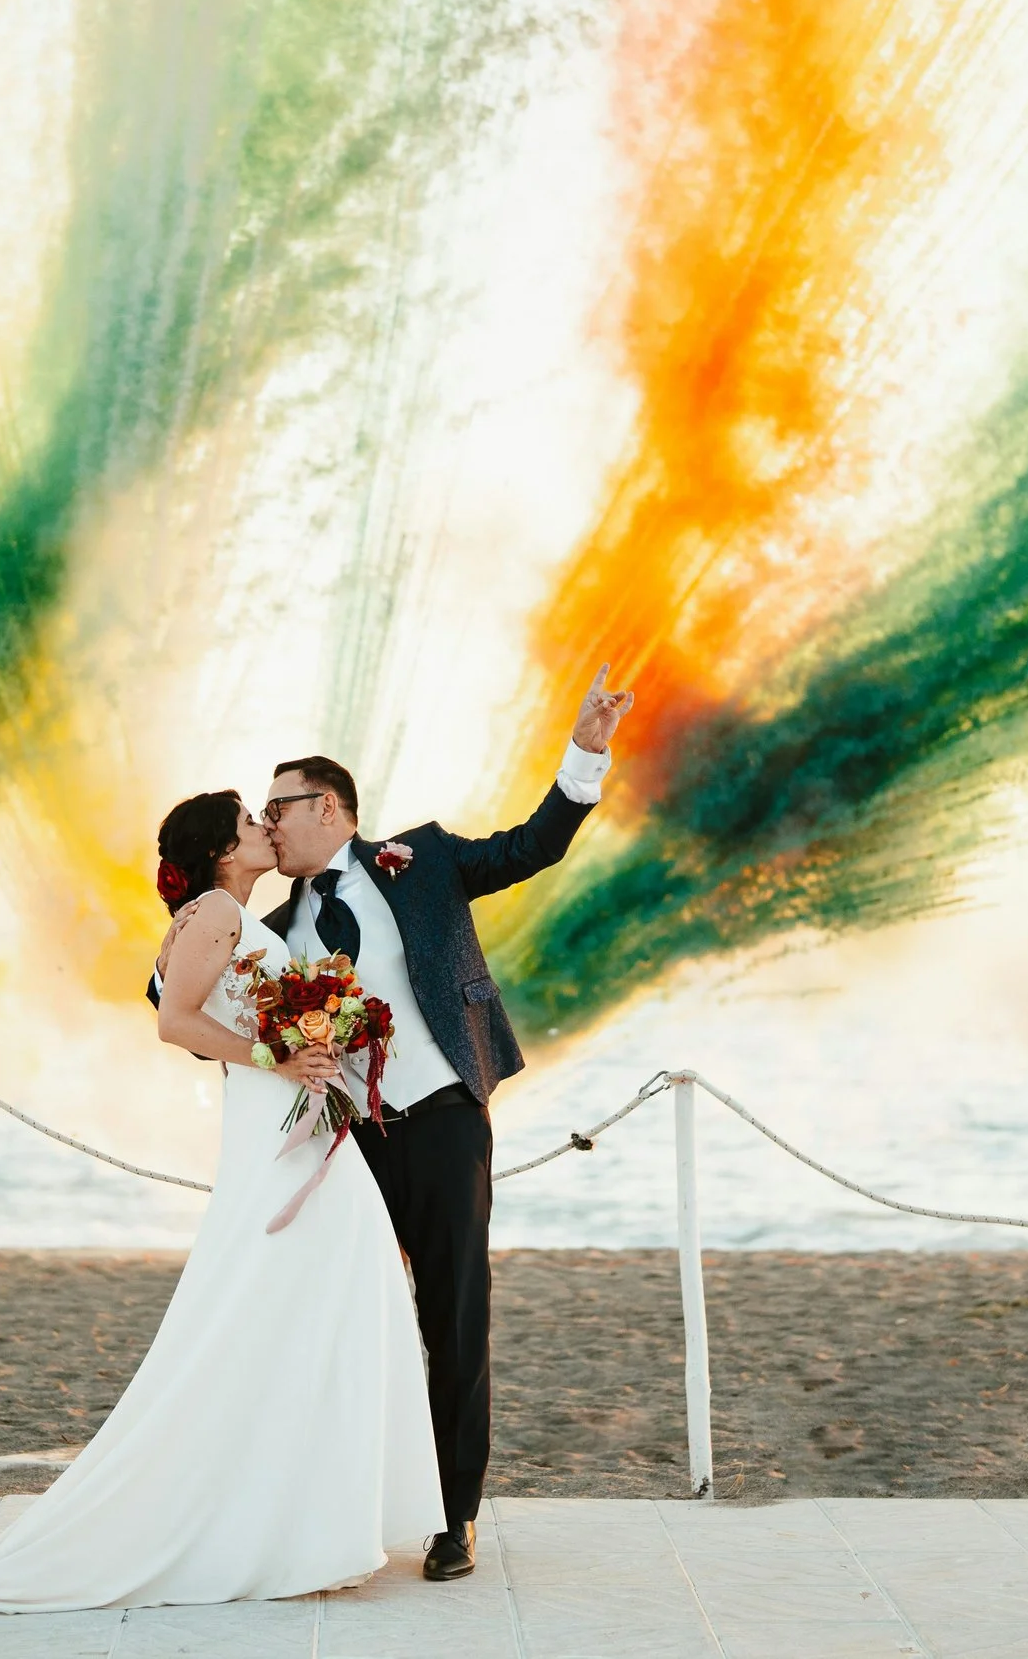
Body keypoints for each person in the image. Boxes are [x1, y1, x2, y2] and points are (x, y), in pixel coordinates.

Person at [0, 793, 440, 1611]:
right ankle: (282, 1523)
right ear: (217, 848)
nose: (263, 827)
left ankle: (310, 1513)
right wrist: (281, 1053)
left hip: (291, 1123)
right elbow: (175, 1021)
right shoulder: (212, 911)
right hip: (272, 1124)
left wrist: (316, 1036)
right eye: (247, 820)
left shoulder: (234, 910)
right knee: (279, 1297)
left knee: (317, 1296)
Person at [254, 666, 632, 1581]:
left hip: (443, 1118)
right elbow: (189, 1001)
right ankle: (340, 1508)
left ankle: (452, 1517)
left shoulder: (418, 860)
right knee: (341, 1316)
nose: (268, 823)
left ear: (334, 809)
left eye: (281, 806)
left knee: (455, 1314)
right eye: (262, 813)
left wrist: (586, 748)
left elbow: (530, 846)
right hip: (345, 1143)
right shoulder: (268, 928)